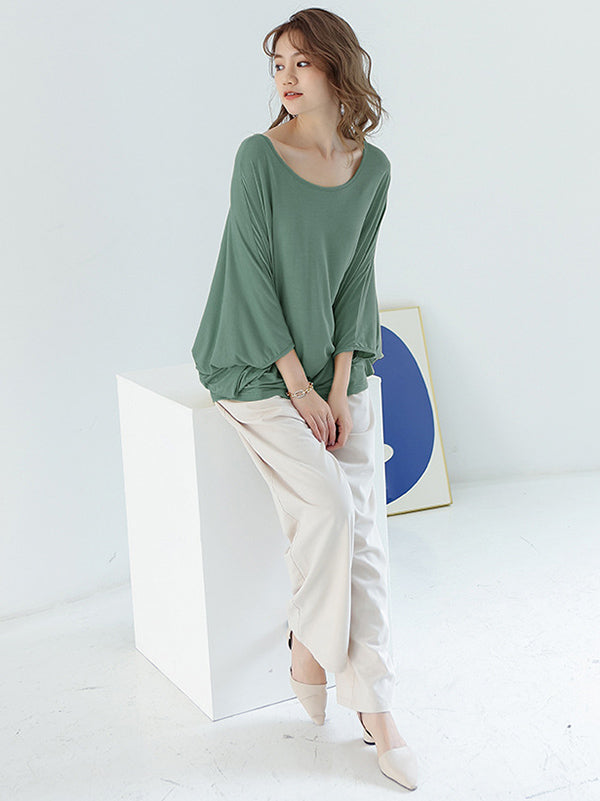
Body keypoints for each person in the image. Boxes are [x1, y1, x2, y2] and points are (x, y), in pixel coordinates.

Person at [191, 8, 418, 791]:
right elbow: (251, 276)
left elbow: (357, 278)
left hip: (331, 363)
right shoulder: (257, 157)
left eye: (302, 63)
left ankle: (378, 709)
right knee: (328, 506)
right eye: (278, 65)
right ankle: (310, 648)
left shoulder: (372, 169)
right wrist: (297, 385)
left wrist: (341, 381)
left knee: (367, 537)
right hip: (254, 361)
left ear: (336, 68)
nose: (285, 77)